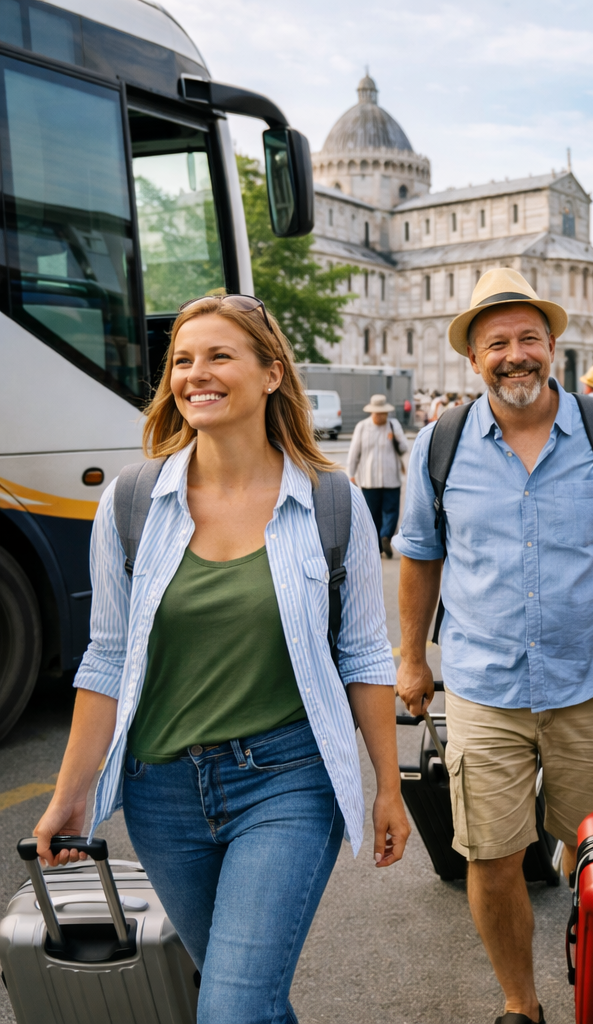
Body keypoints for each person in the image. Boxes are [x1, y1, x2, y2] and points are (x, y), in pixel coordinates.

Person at [32, 294, 410, 1024]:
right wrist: (70, 794)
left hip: (286, 782)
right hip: (161, 794)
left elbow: (364, 653)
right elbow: (105, 660)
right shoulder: (132, 502)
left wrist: (387, 785)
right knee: (252, 1002)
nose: (194, 374)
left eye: (218, 356)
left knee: (231, 1009)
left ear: (272, 375)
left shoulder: (333, 503)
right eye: (181, 360)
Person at [394, 268, 593, 1024]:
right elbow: (420, 555)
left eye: (527, 339)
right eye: (497, 344)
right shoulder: (439, 445)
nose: (514, 355)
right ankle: (522, 1001)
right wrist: (412, 658)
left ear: (553, 345)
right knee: (489, 855)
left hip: (587, 682)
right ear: (473, 359)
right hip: (483, 686)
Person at [348, 393, 409, 559]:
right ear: (372, 412)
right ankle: (377, 545)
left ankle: (386, 537)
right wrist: (351, 474)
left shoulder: (393, 424)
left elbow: (404, 448)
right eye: (378, 413)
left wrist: (395, 436)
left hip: (391, 479)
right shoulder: (362, 426)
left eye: (384, 413)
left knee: (391, 511)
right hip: (369, 480)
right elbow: (354, 453)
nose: (381, 416)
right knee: (372, 513)